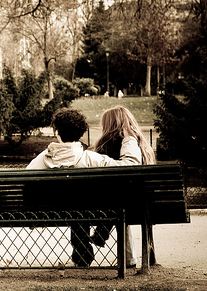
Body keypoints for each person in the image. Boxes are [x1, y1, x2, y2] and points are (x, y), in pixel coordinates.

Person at [26, 107, 143, 267]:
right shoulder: (92, 159)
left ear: (57, 133)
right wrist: (129, 139)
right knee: (83, 202)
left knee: (75, 204)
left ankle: (82, 256)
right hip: (87, 212)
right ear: (81, 133)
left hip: (50, 213)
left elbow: (26, 183)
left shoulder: (40, 160)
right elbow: (129, 166)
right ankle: (86, 254)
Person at [89, 105, 156, 268]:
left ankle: (101, 233)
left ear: (109, 125)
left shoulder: (108, 144)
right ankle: (129, 258)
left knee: (117, 202)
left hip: (119, 203)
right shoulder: (142, 144)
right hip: (144, 203)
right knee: (120, 202)